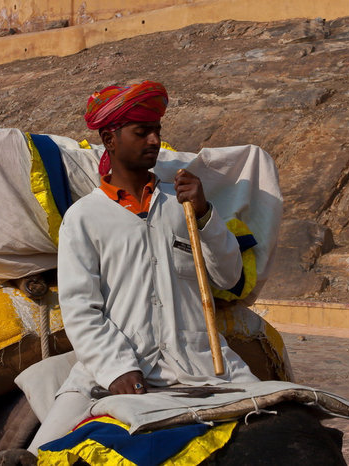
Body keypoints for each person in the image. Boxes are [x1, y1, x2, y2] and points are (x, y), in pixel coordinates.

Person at [28, 81, 258, 453]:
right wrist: (117, 368)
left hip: (205, 368)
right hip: (113, 373)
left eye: (157, 131)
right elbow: (81, 310)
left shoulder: (183, 205)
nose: (154, 141)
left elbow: (229, 277)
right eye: (142, 132)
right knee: (43, 454)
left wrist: (204, 215)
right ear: (110, 138)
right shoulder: (83, 218)